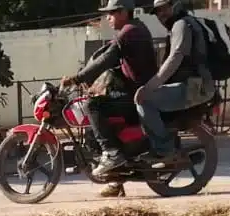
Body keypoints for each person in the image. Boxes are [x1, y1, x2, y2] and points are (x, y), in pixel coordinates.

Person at [62, 0, 159, 180]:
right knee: (102, 119)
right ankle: (116, 180)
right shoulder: (134, 28)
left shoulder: (129, 31)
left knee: (92, 105)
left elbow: (107, 58)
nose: (108, 18)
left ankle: (112, 153)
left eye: (111, 13)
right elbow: (113, 61)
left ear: (123, 12)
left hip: (138, 94)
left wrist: (77, 78)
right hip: (137, 90)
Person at [136, 0, 215, 168]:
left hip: (194, 87)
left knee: (145, 100)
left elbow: (175, 58)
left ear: (175, 5)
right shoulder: (182, 24)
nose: (160, 14)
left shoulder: (181, 25)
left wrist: (149, 87)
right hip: (195, 84)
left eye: (164, 8)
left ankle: (165, 150)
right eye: (157, 11)